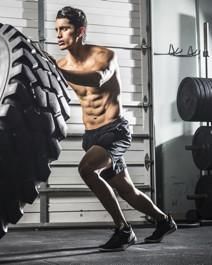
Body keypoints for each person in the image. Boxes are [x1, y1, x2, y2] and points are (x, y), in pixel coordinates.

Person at [53, 6, 177, 252]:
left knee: (86, 169)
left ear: (80, 31)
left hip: (115, 130)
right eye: (57, 29)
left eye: (64, 29)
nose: (58, 34)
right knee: (127, 190)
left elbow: (98, 79)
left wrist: (60, 70)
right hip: (92, 136)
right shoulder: (62, 63)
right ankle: (164, 221)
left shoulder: (104, 55)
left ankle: (123, 230)